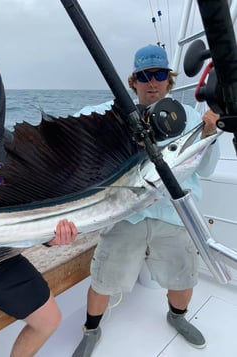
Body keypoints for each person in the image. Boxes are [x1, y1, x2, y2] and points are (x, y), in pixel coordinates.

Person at [72, 44, 220, 356]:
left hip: (174, 217)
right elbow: (73, 129)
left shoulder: (193, 118)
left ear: (169, 80)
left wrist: (209, 133)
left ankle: (176, 317)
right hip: (127, 216)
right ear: (133, 81)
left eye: (159, 74)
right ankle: (91, 328)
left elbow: (205, 168)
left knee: (182, 278)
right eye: (144, 76)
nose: (152, 81)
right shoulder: (113, 116)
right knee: (103, 280)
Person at [0, 48, 78, 357]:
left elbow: (30, 211)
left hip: (0, 260)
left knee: (49, 320)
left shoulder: (11, 146)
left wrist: (50, 238)